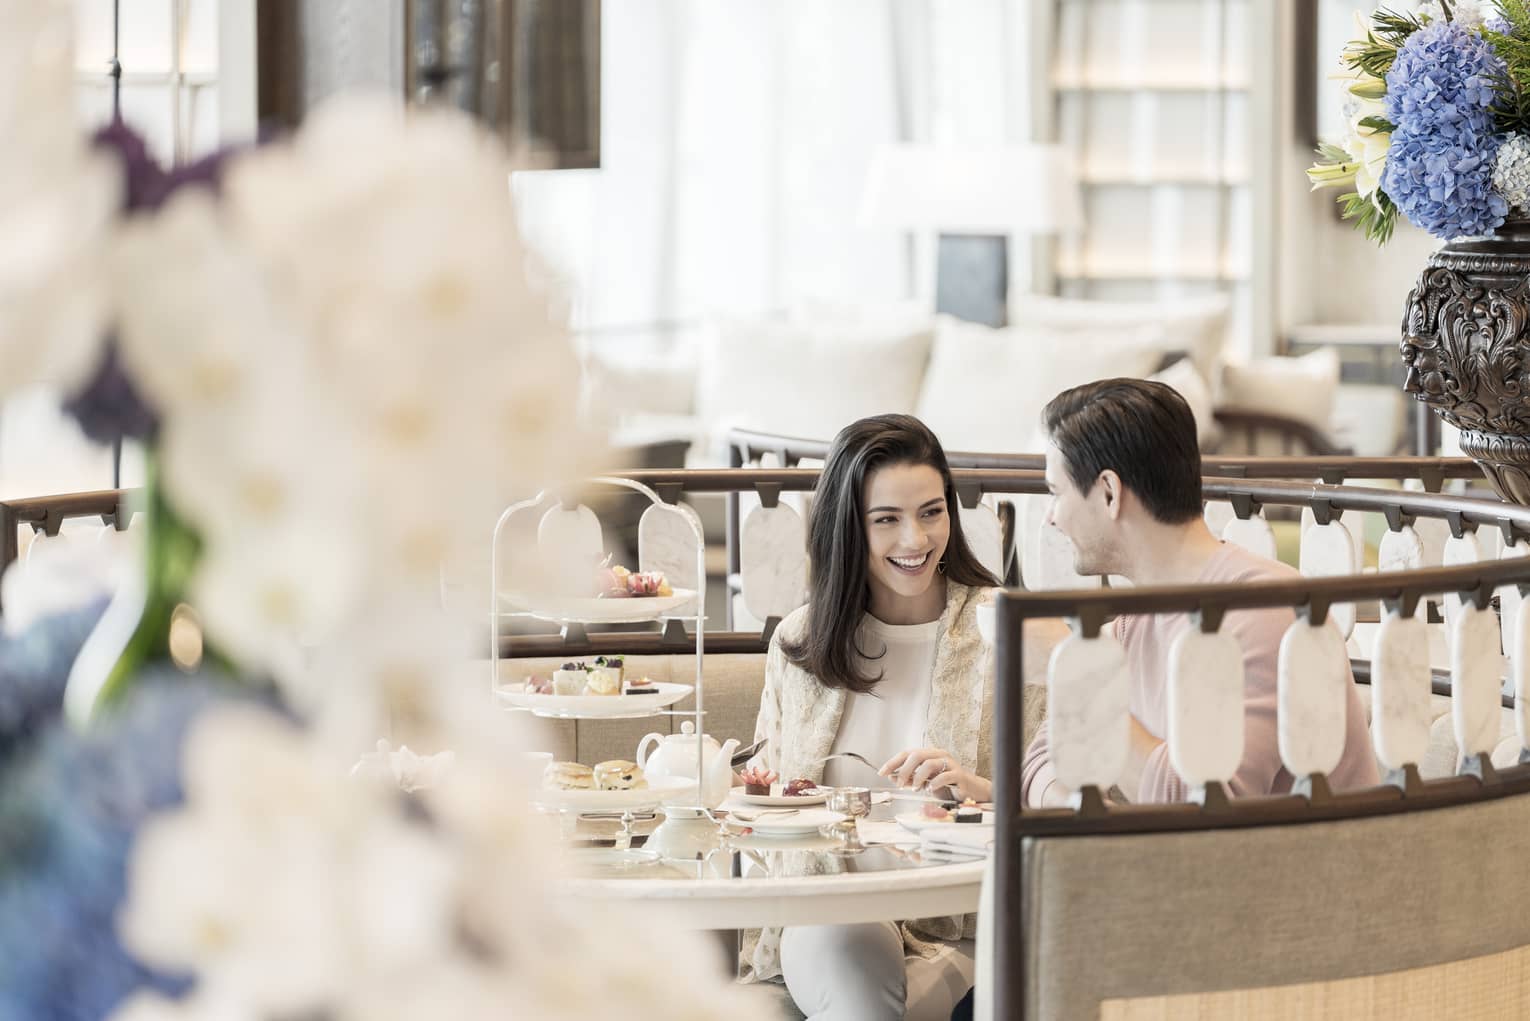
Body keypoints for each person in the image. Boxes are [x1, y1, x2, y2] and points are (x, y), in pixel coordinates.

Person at [740, 413, 1017, 1021]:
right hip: (830, 916)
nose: (915, 540)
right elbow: (762, 798)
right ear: (847, 528)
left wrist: (975, 792)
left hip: (959, 927)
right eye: (886, 520)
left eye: (931, 511)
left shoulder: (1006, 630)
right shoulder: (802, 643)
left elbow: (1063, 805)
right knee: (844, 930)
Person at [1021, 378, 1379, 807]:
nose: (1050, 518)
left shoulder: (1264, 611)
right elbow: (1042, 760)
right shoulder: (1139, 616)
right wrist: (1083, 814)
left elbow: (1201, 808)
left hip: (1295, 869)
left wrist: (1078, 677)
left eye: (1055, 493)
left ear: (1109, 494)